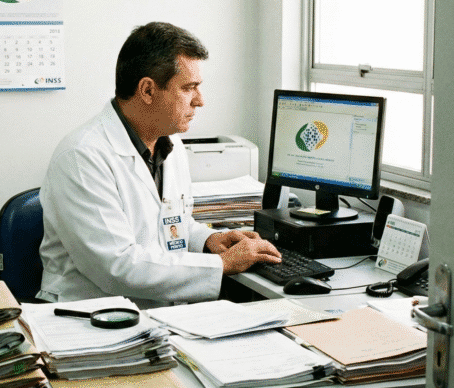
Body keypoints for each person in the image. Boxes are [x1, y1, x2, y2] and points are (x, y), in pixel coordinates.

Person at [37, 22, 282, 308]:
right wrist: (221, 264)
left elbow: (171, 225)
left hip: (157, 314)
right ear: (148, 90)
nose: (200, 101)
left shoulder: (170, 144)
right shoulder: (82, 157)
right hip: (92, 314)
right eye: (189, 88)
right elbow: (117, 267)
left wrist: (209, 239)